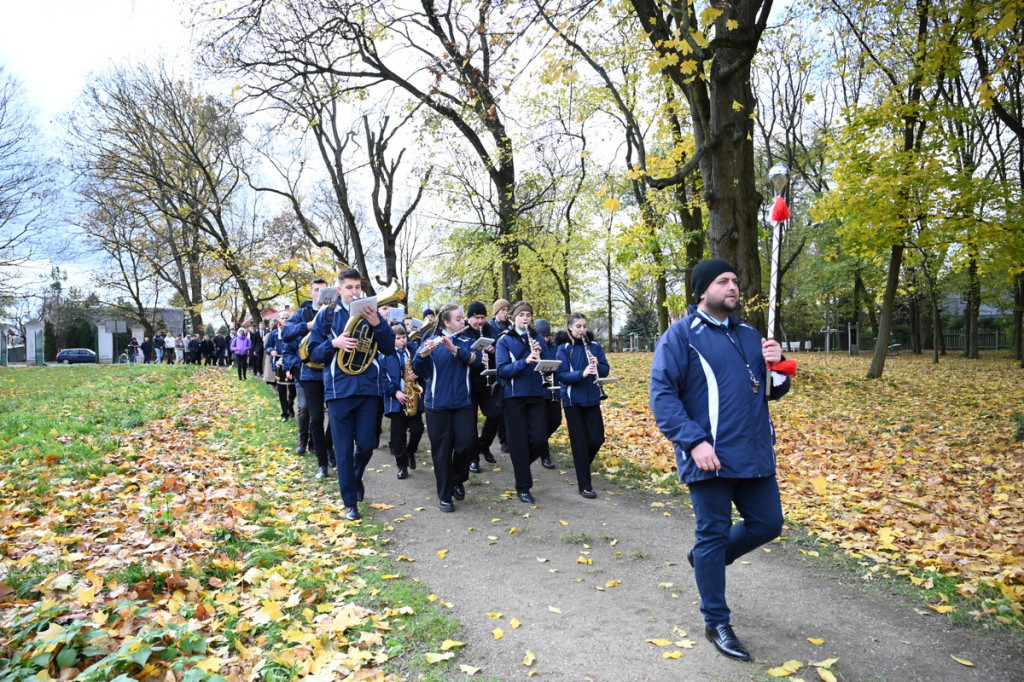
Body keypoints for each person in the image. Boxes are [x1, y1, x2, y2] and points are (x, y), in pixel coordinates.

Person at [650, 259, 790, 662]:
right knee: (712, 534)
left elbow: (770, 390)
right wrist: (694, 442)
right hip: (709, 456)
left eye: (735, 280)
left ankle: (707, 561)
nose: (733, 286)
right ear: (702, 291)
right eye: (723, 281)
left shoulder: (750, 336)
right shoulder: (679, 336)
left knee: (768, 523)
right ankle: (717, 621)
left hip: (754, 452)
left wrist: (777, 363)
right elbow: (663, 396)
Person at [308, 268, 395, 521]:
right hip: (339, 390)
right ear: (339, 290)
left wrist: (378, 324)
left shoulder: (372, 314)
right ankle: (350, 503)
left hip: (369, 388)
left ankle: (355, 478)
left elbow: (389, 348)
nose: (355, 292)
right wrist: (334, 344)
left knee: (367, 444)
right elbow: (313, 353)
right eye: (349, 287)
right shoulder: (327, 315)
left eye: (357, 287)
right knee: (343, 449)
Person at [412, 303, 480, 512]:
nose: (463, 321)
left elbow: (475, 364)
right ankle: (445, 495)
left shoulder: (469, 340)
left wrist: (455, 349)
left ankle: (458, 479)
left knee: (466, 444)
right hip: (437, 405)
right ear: (446, 322)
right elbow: (419, 370)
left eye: (463, 318)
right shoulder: (430, 341)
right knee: (441, 451)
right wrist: (422, 355)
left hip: (463, 403)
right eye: (458, 319)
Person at [495, 301, 548, 504]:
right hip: (513, 396)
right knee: (518, 443)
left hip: (536, 394)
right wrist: (525, 360)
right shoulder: (504, 340)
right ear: (514, 318)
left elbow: (549, 364)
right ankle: (523, 486)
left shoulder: (538, 339)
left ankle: (521, 466)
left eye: (528, 315)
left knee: (540, 440)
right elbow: (502, 371)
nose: (525, 318)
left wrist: (541, 356)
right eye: (521, 315)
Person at [555, 313, 609, 499]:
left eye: (584, 326)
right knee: (579, 443)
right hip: (572, 400)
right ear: (570, 327)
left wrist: (597, 365)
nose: (582, 330)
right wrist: (582, 373)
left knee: (597, 438)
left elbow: (605, 369)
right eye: (578, 326)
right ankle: (584, 485)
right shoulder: (564, 349)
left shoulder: (594, 346)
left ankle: (582, 465)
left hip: (592, 398)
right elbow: (561, 375)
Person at [281, 278, 332, 470]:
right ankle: (311, 449)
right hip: (308, 372)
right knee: (310, 412)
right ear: (311, 293)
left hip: (330, 370)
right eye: (317, 290)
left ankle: (325, 447)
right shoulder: (303, 313)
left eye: (325, 291)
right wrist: (308, 326)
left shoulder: (333, 312)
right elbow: (286, 334)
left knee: (334, 416)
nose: (321, 294)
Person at [381, 324, 425, 480]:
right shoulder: (385, 354)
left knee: (417, 430)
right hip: (396, 400)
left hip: (413, 396)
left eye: (403, 337)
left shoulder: (413, 351)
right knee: (398, 436)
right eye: (398, 338)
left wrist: (417, 373)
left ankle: (410, 452)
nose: (402, 341)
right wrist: (396, 393)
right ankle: (402, 466)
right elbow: (382, 379)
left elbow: (425, 368)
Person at [462, 301, 501, 473]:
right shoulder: (463, 332)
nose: (479, 321)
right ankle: (473, 458)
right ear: (469, 318)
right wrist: (475, 358)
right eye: (476, 318)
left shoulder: (491, 331)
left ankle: (483, 446)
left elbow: (501, 357)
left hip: (486, 384)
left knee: (495, 415)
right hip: (469, 385)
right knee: (470, 426)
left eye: (482, 318)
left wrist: (493, 353)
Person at [533, 319, 560, 470]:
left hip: (554, 390)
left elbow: (557, 362)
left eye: (548, 336)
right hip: (540, 392)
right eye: (543, 336)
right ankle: (545, 455)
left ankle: (539, 443)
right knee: (542, 425)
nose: (546, 339)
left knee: (556, 420)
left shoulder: (554, 347)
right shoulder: (533, 346)